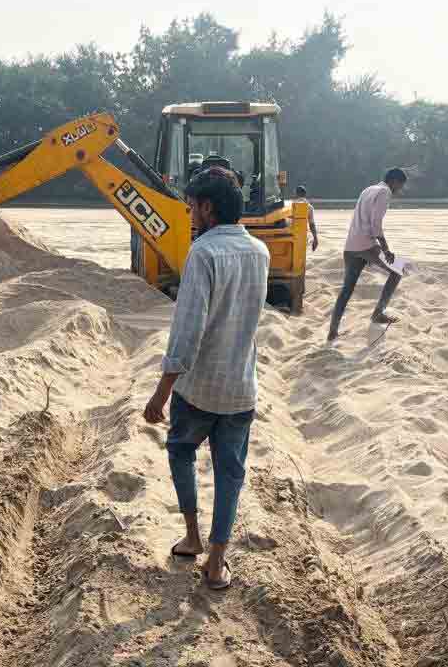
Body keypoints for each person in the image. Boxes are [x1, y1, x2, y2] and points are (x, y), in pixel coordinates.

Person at [142, 165, 270, 591]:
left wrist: (161, 392)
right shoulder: (260, 252)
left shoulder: (203, 253)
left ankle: (193, 537)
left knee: (180, 449)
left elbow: (188, 332)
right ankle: (217, 563)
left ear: (208, 207)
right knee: (230, 473)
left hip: (198, 388)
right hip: (240, 387)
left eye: (192, 206)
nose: (190, 213)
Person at [326, 168, 407, 343]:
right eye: (400, 185)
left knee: (346, 291)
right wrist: (385, 249)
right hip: (366, 245)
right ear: (394, 181)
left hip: (351, 245)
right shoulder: (385, 192)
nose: (400, 190)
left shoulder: (368, 189)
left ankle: (332, 331)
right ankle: (378, 313)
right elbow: (375, 224)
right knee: (398, 269)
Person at [295, 185, 320, 252]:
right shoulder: (309, 207)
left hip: (291, 236)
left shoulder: (291, 205)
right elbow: (311, 224)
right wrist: (315, 238)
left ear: (296, 194)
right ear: (305, 194)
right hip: (303, 235)